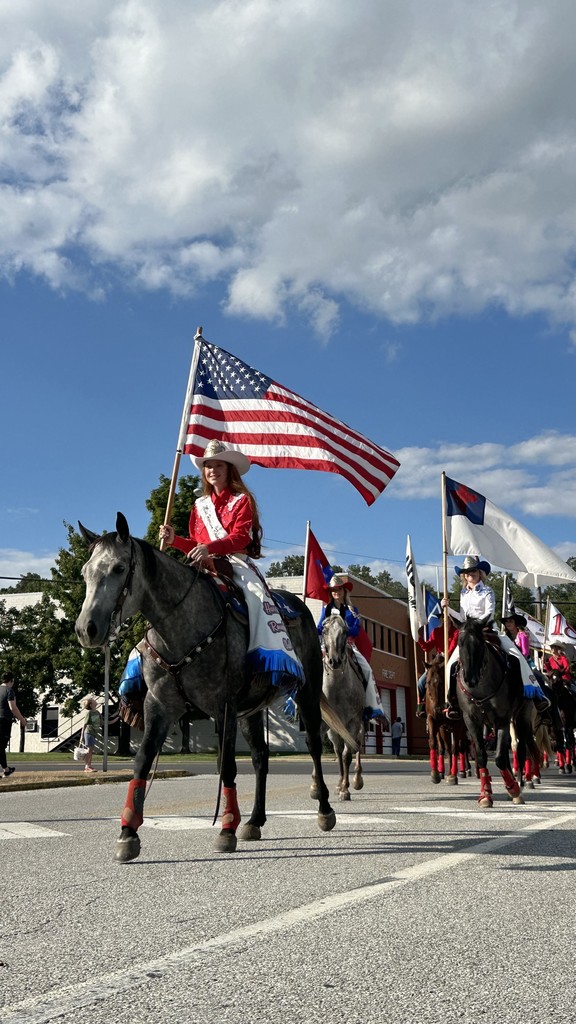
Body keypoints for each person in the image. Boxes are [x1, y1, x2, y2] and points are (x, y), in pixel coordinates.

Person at [159, 438, 304, 687]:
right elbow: (195, 542)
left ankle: (270, 657)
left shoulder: (242, 500)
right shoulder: (199, 505)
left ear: (229, 470)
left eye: (219, 466)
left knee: (258, 598)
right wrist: (175, 541)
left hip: (235, 562)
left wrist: (210, 548)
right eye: (208, 466)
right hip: (202, 564)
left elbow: (239, 537)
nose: (213, 471)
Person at [443, 555, 550, 719]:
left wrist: (475, 625)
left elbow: (489, 612)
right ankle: (452, 702)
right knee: (450, 664)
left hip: (487, 630)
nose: (470, 574)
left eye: (473, 571)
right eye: (467, 572)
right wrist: (448, 608)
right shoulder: (463, 593)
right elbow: (463, 617)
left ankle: (536, 694)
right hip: (470, 633)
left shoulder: (487, 591)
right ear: (464, 575)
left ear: (479, 573)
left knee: (516, 655)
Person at [317, 574, 386, 722]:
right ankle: (299, 703)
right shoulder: (325, 609)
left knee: (367, 670)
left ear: (344, 591)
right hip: (327, 646)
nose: (337, 592)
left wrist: (348, 626)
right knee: (309, 667)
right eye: (334, 590)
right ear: (330, 592)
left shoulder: (351, 609)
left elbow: (356, 631)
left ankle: (372, 707)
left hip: (348, 644)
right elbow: (318, 628)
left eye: (339, 589)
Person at [415, 619, 458, 717]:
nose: (445, 620)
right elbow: (427, 647)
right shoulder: (436, 632)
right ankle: (421, 705)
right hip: (438, 661)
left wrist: (446, 655)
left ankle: (455, 704)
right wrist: (418, 638)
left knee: (455, 680)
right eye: (442, 618)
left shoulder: (456, 631)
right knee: (421, 682)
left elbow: (453, 646)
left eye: (447, 618)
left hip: (452, 660)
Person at [0, 672, 28, 778]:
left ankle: (6, 769)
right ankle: (6, 769)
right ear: (11, 680)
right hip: (4, 721)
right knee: (1, 746)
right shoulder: (9, 691)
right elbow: (13, 708)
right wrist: (22, 720)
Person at [79, 696, 102, 773]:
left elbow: (104, 722)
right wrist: (82, 736)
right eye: (93, 701)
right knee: (89, 750)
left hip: (94, 733)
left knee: (91, 750)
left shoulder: (97, 712)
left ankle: (89, 765)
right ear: (91, 705)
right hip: (88, 732)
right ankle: (87, 767)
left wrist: (116, 718)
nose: (95, 701)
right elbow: (84, 724)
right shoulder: (89, 713)